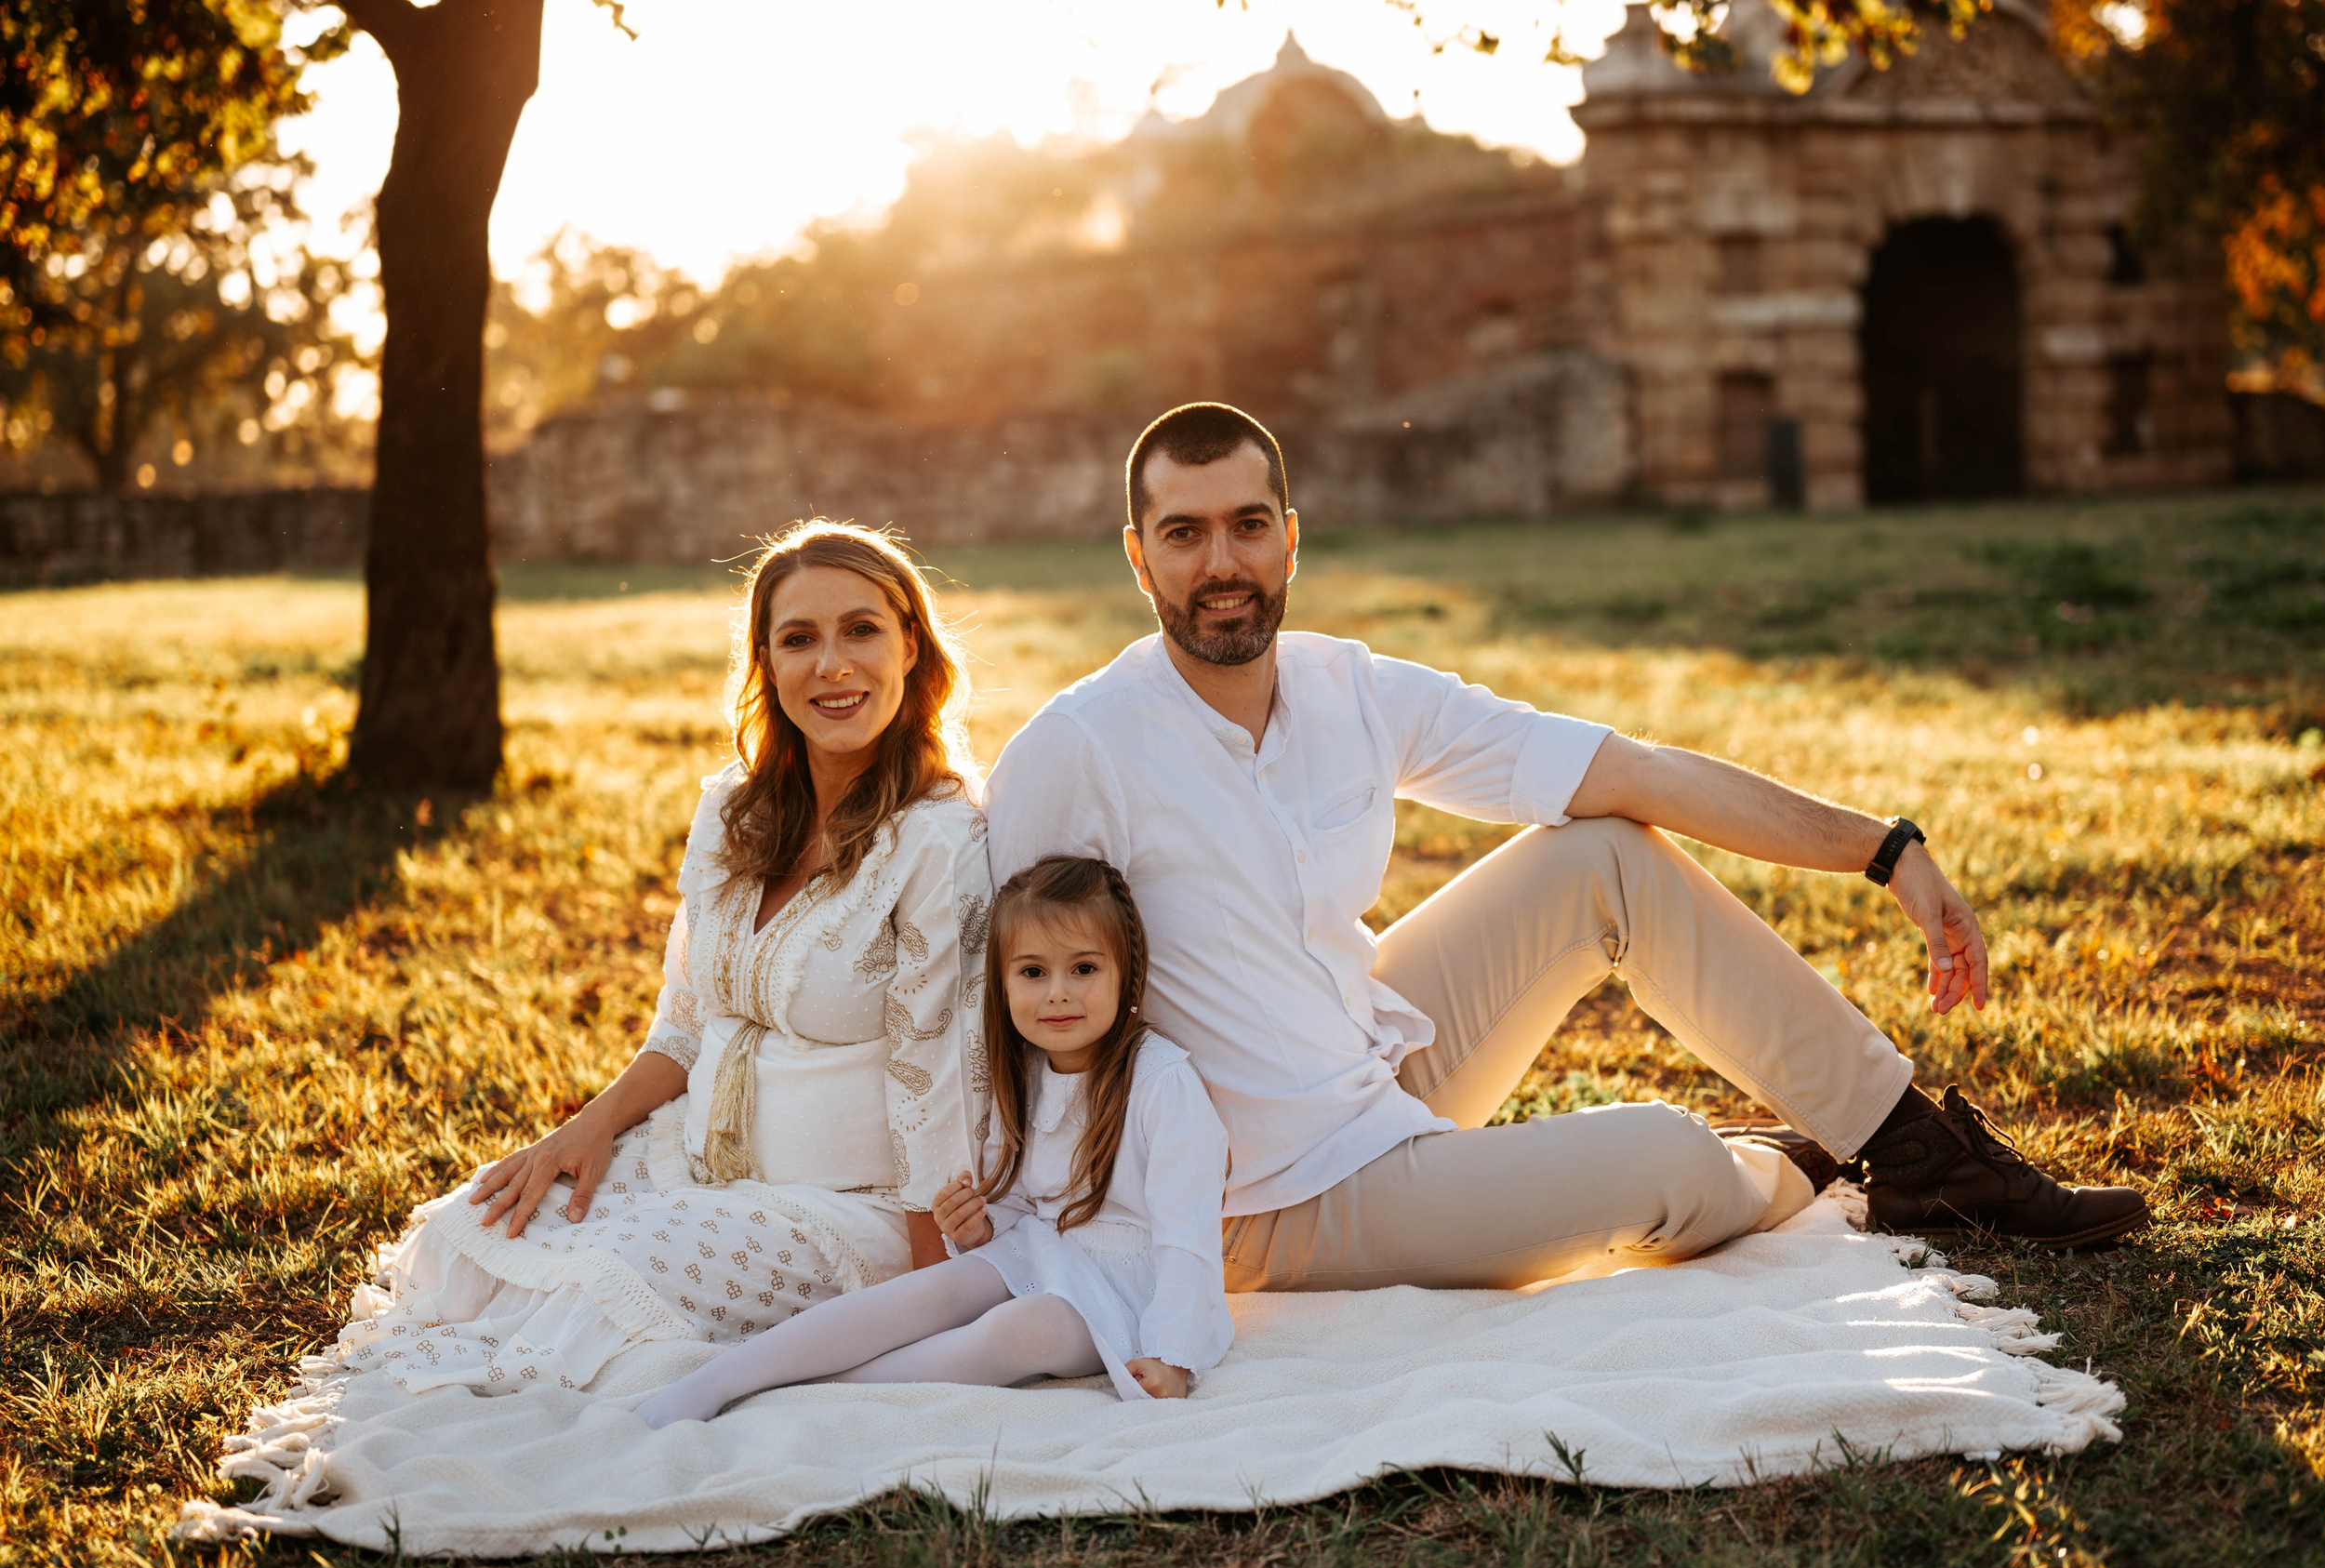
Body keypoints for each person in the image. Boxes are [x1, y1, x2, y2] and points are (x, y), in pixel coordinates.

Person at [984, 402, 2150, 1296]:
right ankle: (1796, 1163)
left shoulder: (1349, 687)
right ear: (1137, 559)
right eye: (1181, 535)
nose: (1219, 565)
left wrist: (1887, 850)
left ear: (1290, 542)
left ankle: (1919, 1155)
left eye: (1246, 527)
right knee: (1666, 1161)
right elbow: (978, 1006)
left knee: (1602, 852)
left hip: (1373, 1070)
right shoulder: (1076, 749)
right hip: (1265, 1188)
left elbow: (1633, 772)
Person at [334, 524, 991, 1394]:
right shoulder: (732, 813)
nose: (832, 664)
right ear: (766, 661)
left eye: (861, 630)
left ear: (912, 644)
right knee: (474, 1238)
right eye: (799, 638)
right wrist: (586, 1130)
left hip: (848, 1209)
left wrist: (926, 1288)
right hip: (687, 1158)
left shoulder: (940, 838)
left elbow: (934, 1077)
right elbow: (685, 1024)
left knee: (601, 1303)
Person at [635, 854, 1230, 1426]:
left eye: (1084, 968)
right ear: (1002, 983)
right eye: (1032, 972)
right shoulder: (1023, 1073)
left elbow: (1188, 1237)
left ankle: (799, 1396)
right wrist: (978, 1231)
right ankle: (722, 1379)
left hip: (1133, 1286)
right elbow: (1023, 1203)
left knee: (1031, 1329)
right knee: (929, 1293)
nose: (1057, 992)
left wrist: (1173, 1355)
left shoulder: (1162, 1081)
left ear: (1127, 971)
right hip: (1044, 1249)